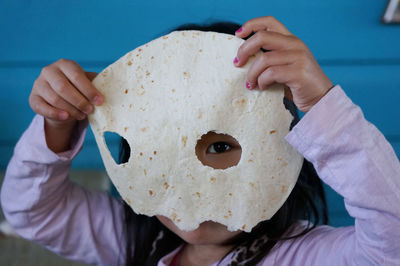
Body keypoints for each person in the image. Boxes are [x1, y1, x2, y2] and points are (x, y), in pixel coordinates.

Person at [1, 16, 399, 266]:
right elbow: (30, 212)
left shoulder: (306, 256)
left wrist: (323, 106)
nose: (191, 185)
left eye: (221, 146)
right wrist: (60, 124)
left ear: (283, 142)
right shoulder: (136, 240)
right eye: (162, 148)